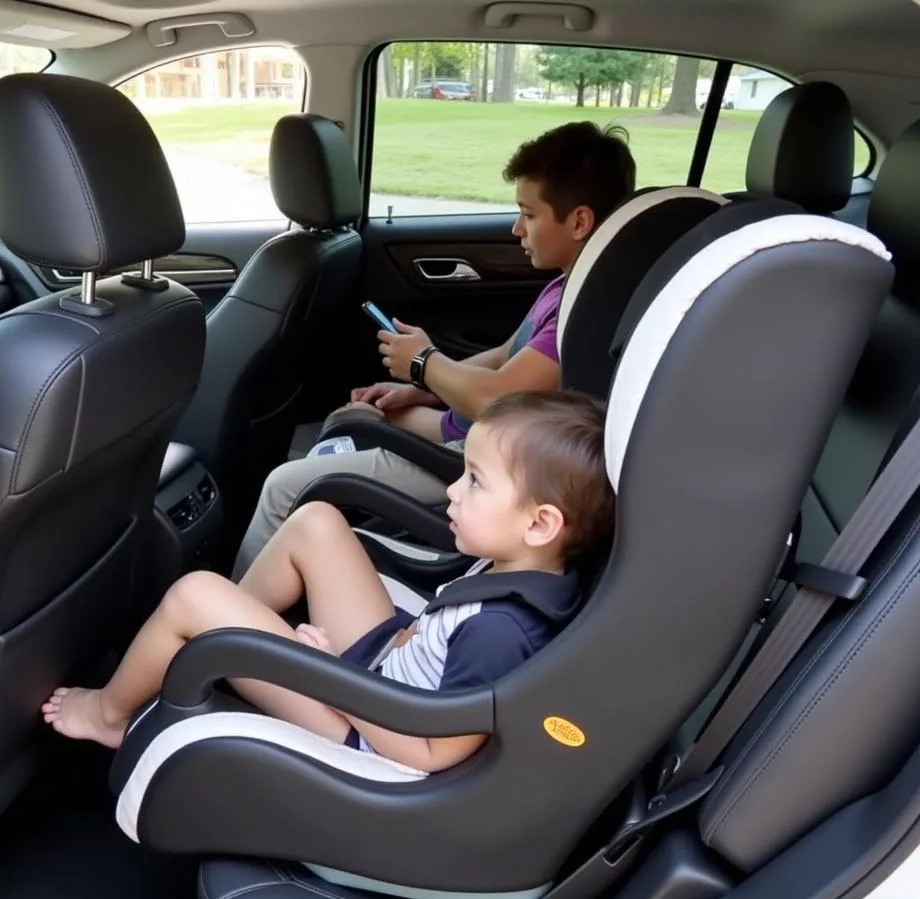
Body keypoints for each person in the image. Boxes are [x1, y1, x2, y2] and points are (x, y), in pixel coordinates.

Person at [42, 390, 615, 774]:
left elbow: (430, 752)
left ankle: (110, 716)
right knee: (317, 523)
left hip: (366, 727)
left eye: (475, 481)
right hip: (385, 672)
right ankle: (214, 642)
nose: (451, 491)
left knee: (194, 593)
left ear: (541, 523)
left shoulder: (502, 633)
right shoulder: (526, 566)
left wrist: (335, 674)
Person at [231, 121, 635, 576]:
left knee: (283, 485)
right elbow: (505, 355)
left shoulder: (586, 315)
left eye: (530, 213)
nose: (517, 227)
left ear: (579, 221)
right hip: (469, 432)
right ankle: (316, 548)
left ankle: (238, 613)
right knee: (352, 415)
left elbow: (499, 399)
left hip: (476, 457)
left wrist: (425, 364)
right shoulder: (568, 286)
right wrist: (425, 389)